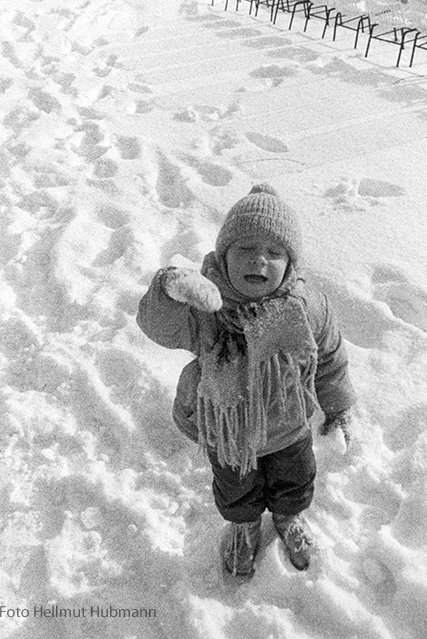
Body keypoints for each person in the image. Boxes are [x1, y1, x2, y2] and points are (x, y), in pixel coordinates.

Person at [137, 184, 355, 578]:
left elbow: (330, 358)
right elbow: (161, 328)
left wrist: (337, 406)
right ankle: (245, 524)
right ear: (224, 255)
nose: (259, 260)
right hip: (230, 433)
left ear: (290, 263)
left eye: (274, 252)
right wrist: (169, 290)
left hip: (289, 425)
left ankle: (288, 519)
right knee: (237, 489)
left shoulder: (306, 307)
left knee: (296, 480)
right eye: (244, 249)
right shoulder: (209, 304)